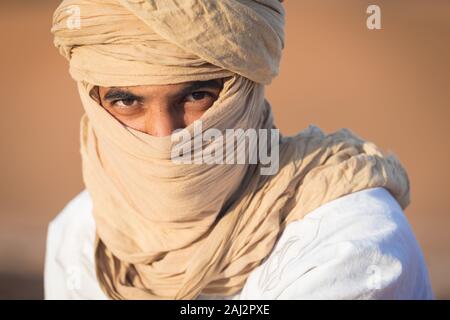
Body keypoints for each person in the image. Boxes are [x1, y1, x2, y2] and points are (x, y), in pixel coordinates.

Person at [45, 0, 433, 299]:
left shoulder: (349, 237)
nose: (165, 135)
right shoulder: (79, 233)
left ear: (243, 95)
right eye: (127, 101)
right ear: (94, 103)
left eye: (196, 95)